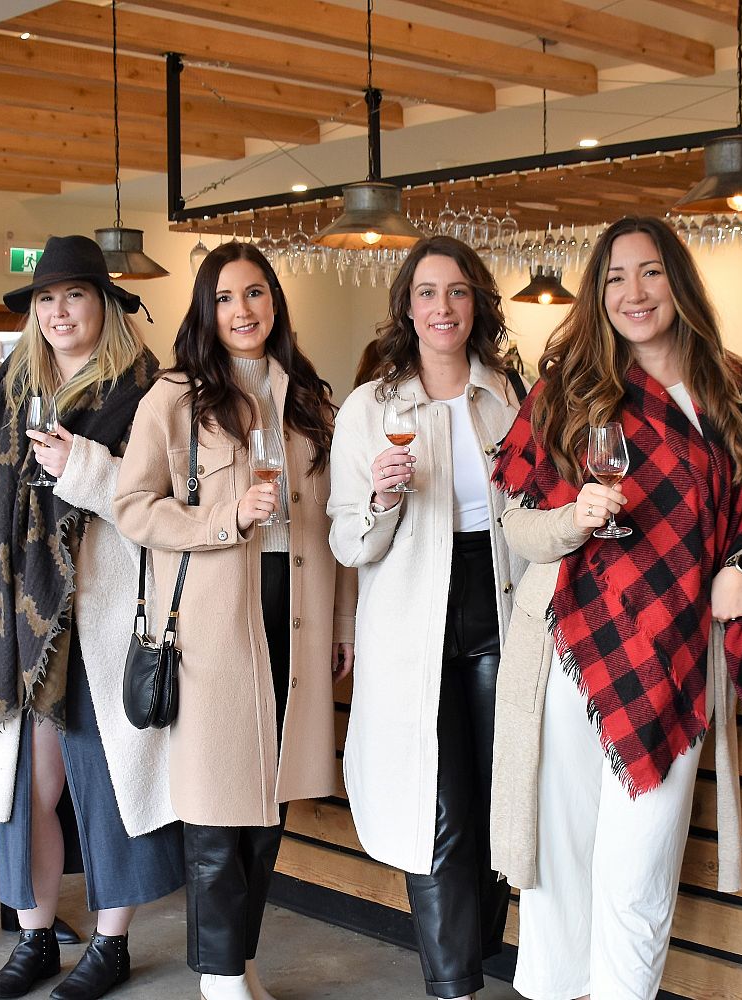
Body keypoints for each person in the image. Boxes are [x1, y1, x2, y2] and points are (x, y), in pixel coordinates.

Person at [489, 216, 742, 1000]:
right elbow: (519, 525)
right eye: (615, 277)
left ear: (679, 283)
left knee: (638, 868)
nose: (633, 292)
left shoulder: (736, 392)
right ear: (597, 293)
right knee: (561, 864)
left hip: (677, 654)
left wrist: (740, 565)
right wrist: (575, 518)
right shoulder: (569, 388)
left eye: (651, 272)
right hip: (572, 653)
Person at [0, 235, 185, 1000]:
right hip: (16, 618)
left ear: (104, 304)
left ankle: (111, 944)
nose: (60, 310)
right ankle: (35, 935)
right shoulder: (3, 390)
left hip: (103, 610)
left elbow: (158, 510)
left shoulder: (149, 392)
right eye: (46, 298)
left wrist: (84, 468)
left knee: (103, 783)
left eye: (75, 295)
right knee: (25, 790)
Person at [113, 241, 354, 1000]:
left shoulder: (309, 394)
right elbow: (132, 508)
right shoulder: (173, 398)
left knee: (268, 802)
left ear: (274, 302)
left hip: (300, 612)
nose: (242, 310)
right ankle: (219, 978)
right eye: (224, 297)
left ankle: (237, 960)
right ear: (205, 310)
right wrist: (225, 516)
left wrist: (343, 620)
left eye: (254, 294)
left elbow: (334, 525)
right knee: (220, 803)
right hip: (219, 621)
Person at [327, 236, 525, 1000]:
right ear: (407, 309)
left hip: (499, 612)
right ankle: (455, 988)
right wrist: (380, 498)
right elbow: (348, 540)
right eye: (428, 293)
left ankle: (475, 951)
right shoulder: (370, 408)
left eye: (458, 292)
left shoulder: (508, 394)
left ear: (476, 305)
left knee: (494, 800)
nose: (443, 307)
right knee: (437, 808)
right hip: (414, 622)